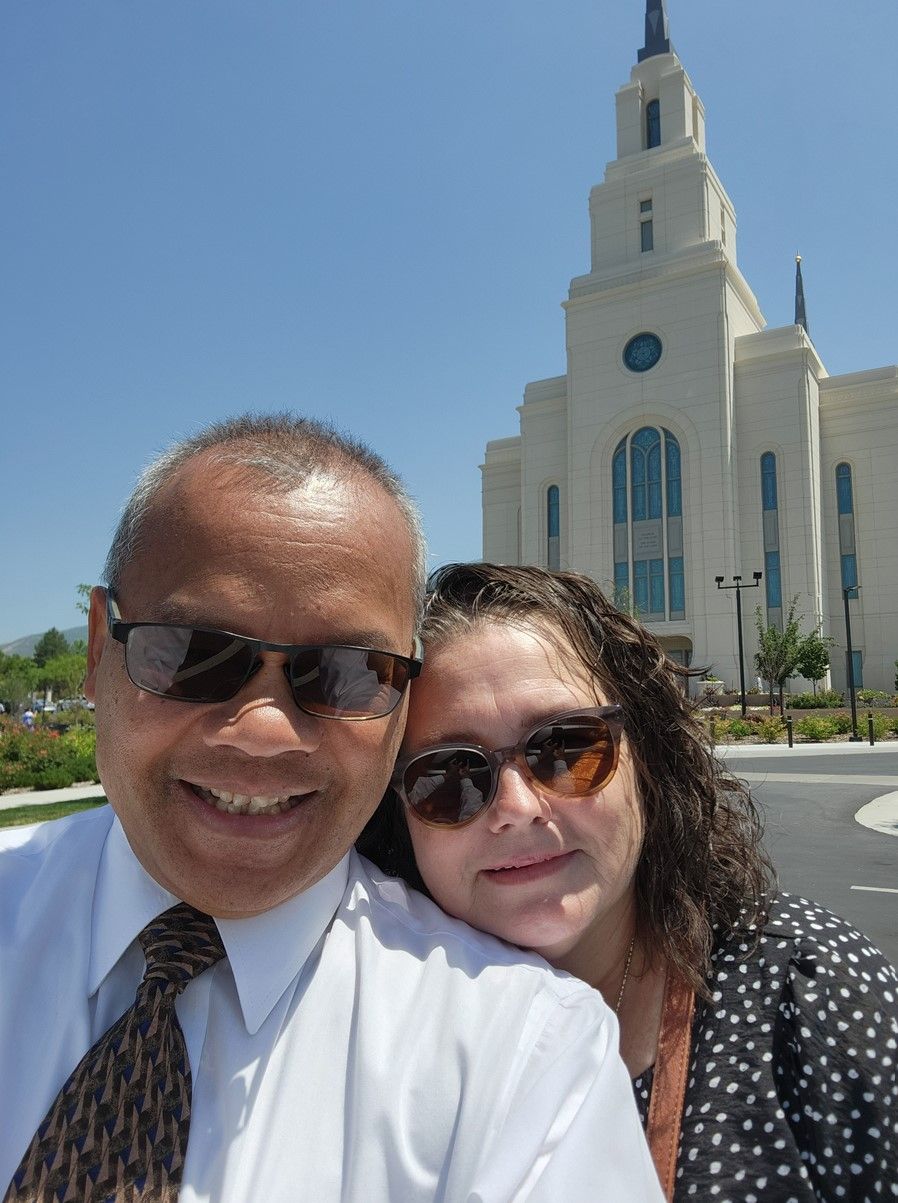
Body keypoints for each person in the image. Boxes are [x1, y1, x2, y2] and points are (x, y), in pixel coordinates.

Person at [0, 418, 662, 1203]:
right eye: (191, 653)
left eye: (346, 673)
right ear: (98, 650)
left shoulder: (525, 1063)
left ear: (402, 699)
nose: (263, 730)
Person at [360, 561, 898, 1202]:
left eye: (566, 747)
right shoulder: (361, 1032)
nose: (517, 807)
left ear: (646, 759)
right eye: (450, 775)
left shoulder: (809, 990)